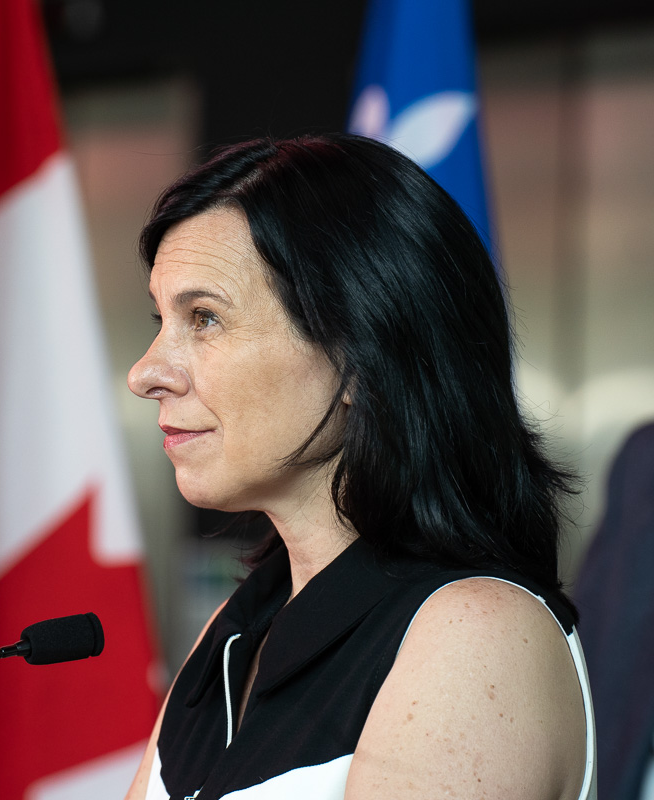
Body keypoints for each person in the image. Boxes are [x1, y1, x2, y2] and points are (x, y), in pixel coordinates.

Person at [123, 133, 596, 800]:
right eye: (161, 319)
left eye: (204, 318)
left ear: (359, 354)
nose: (147, 373)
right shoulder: (232, 630)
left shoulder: (476, 635)